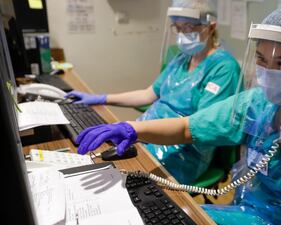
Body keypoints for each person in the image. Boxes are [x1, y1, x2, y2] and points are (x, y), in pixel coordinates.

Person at [76, 1, 281, 224]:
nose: (266, 73)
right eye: (263, 60)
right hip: (243, 213)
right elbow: (188, 128)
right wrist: (134, 130)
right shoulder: (258, 102)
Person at [67, 0, 241, 184]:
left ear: (210, 27)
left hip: (184, 152)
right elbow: (148, 94)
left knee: (126, 182)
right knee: (98, 166)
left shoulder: (224, 68)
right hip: (146, 135)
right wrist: (100, 98)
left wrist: (139, 132)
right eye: (178, 28)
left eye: (188, 27)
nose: (182, 35)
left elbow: (196, 129)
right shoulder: (182, 58)